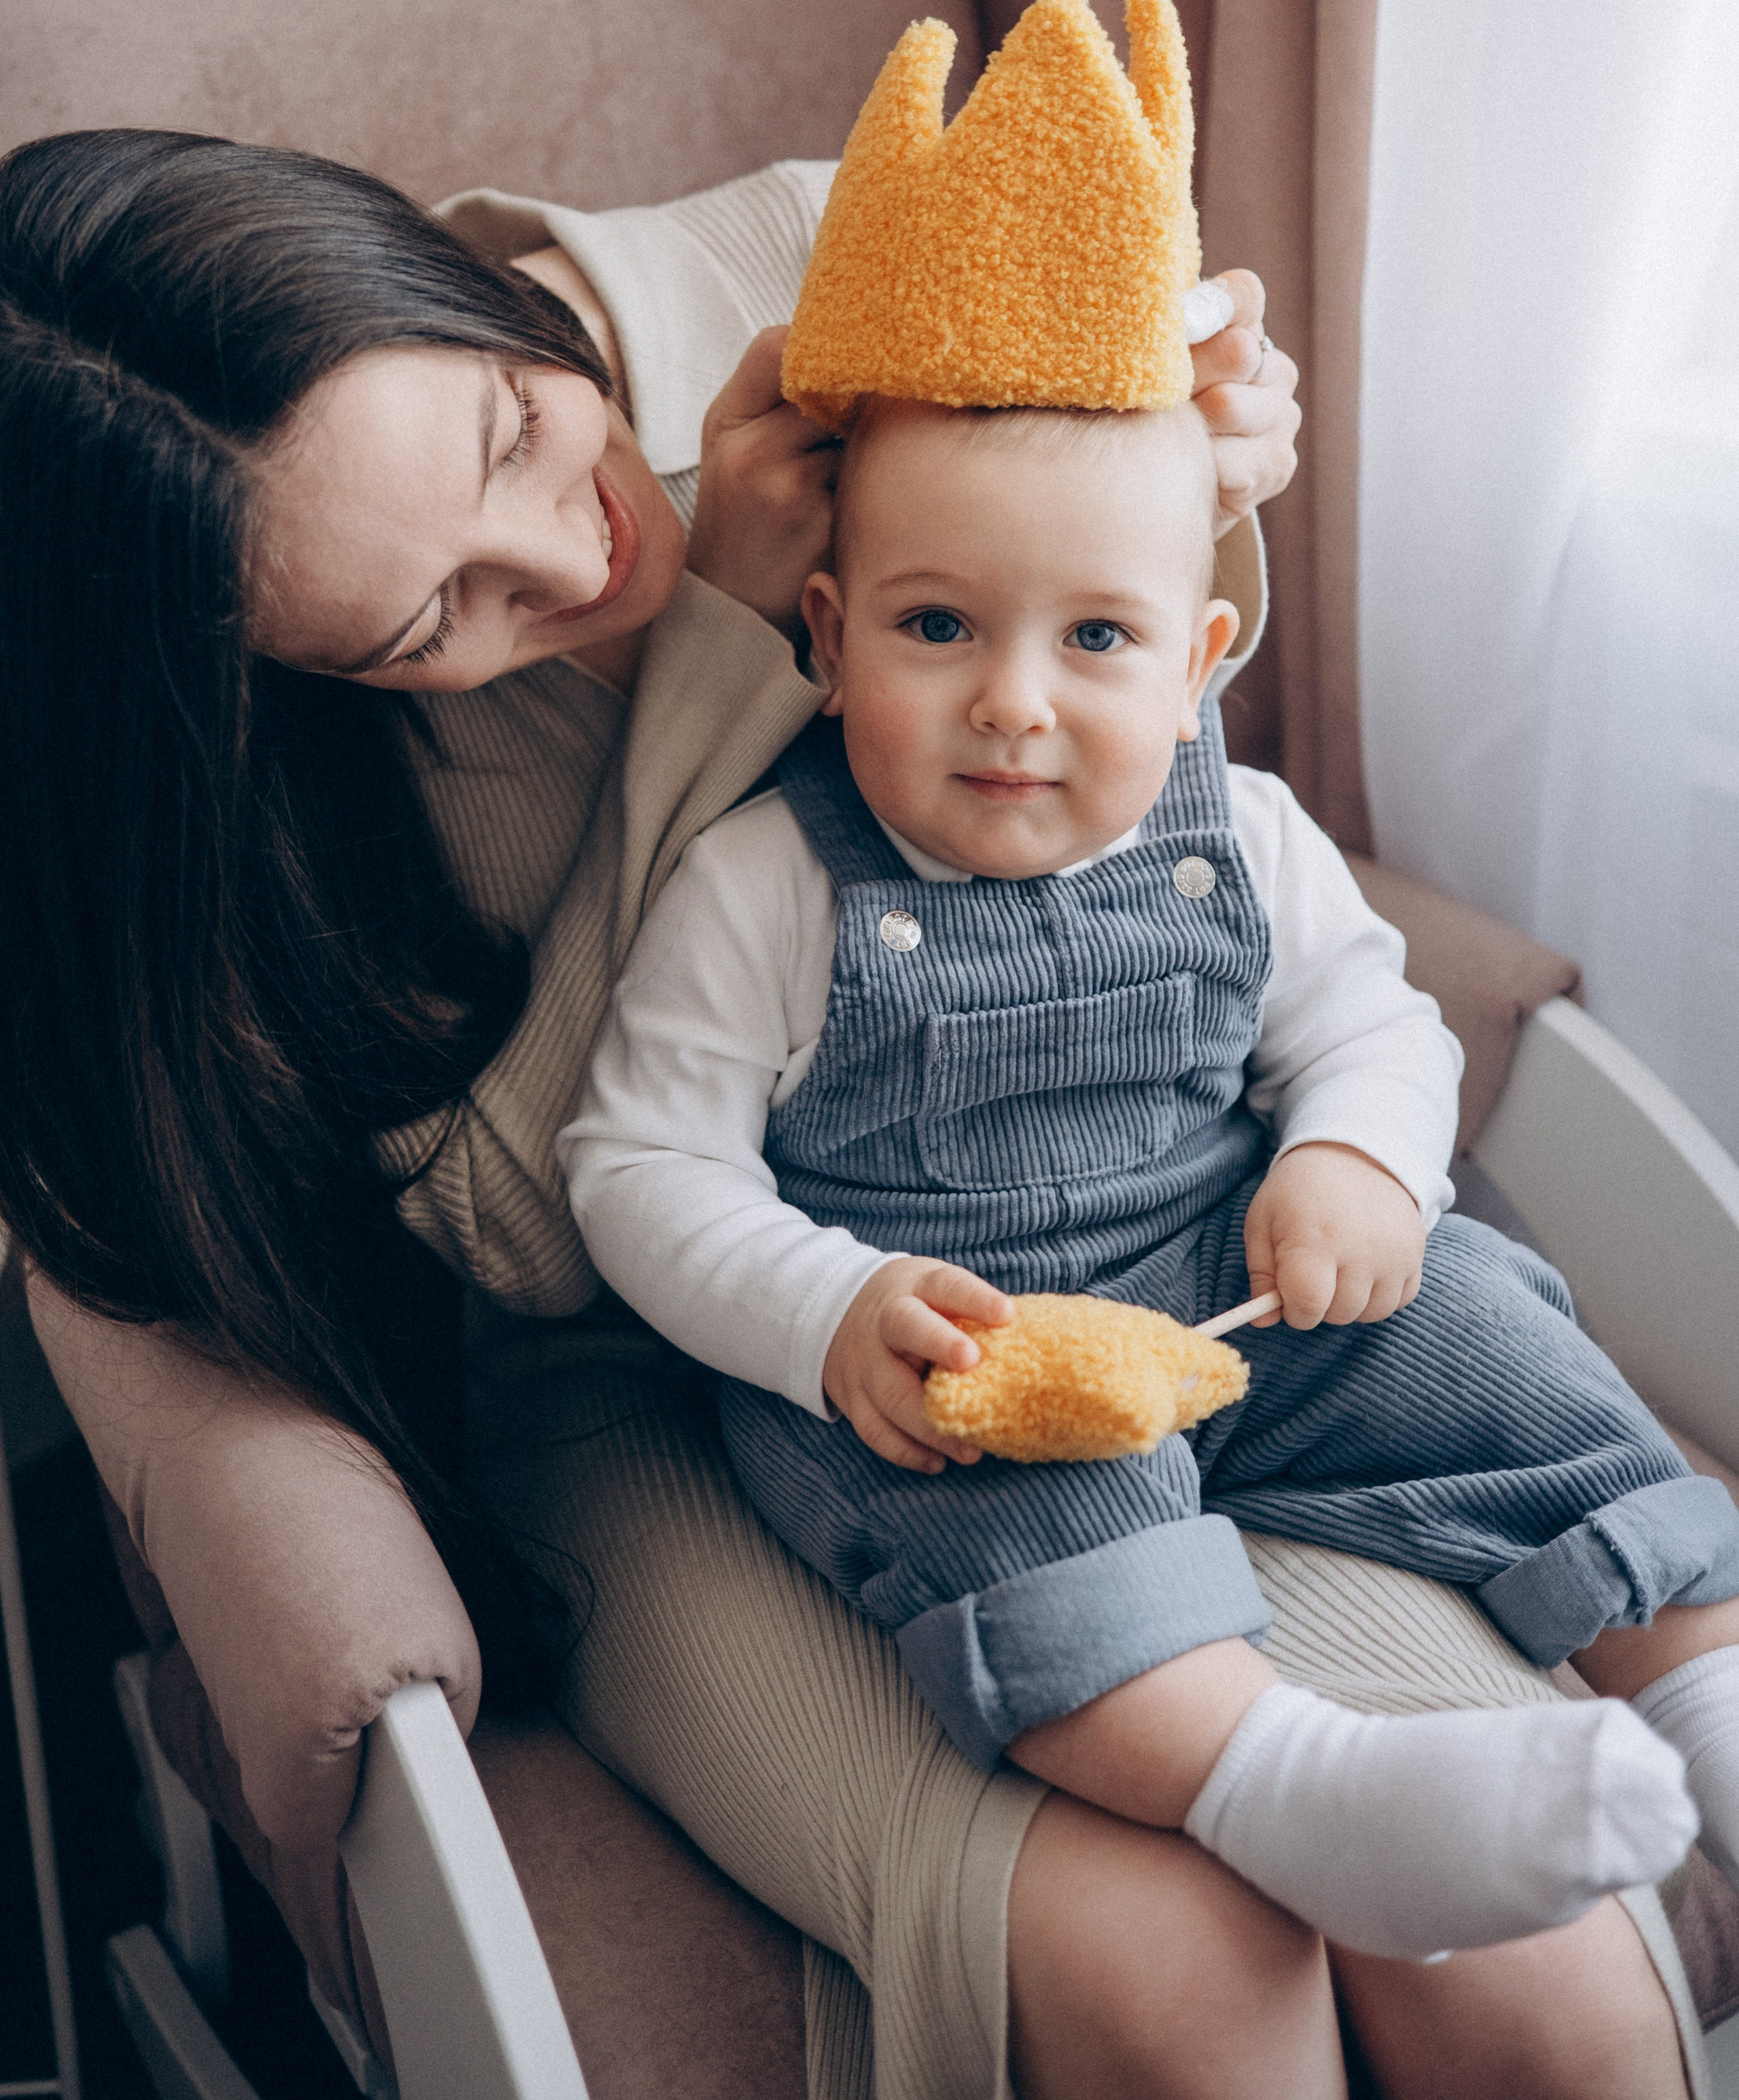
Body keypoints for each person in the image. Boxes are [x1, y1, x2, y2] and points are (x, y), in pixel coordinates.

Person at [0, 123, 1698, 2099]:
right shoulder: (256, 812)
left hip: (1146, 1243)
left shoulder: (834, 255)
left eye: (505, 442)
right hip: (673, 1379)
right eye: (426, 629)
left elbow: (1151, 739)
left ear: (429, 276)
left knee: (1538, 1972)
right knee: (1175, 1975)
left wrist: (1206, 464)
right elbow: (543, 1234)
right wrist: (714, 644)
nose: (569, 557)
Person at [564, 379, 1738, 1959]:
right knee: (1021, 1525)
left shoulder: (1242, 835)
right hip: (969, 1345)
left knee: (1491, 1343)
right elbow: (641, 1165)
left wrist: (1352, 1159)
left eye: (1095, 640)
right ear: (830, 644)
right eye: (937, 629)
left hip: (1239, 1277)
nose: (1012, 702)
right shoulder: (764, 883)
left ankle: (1702, 1691)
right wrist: (834, 1313)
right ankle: (1295, 1785)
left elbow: (1374, 1027)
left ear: (1194, 666)